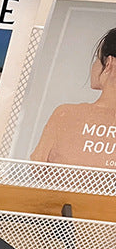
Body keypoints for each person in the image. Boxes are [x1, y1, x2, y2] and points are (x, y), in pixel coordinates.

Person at [30, 28, 116, 168]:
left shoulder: (65, 115)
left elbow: (36, 169)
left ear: (108, 64)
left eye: (97, 58)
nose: (94, 64)